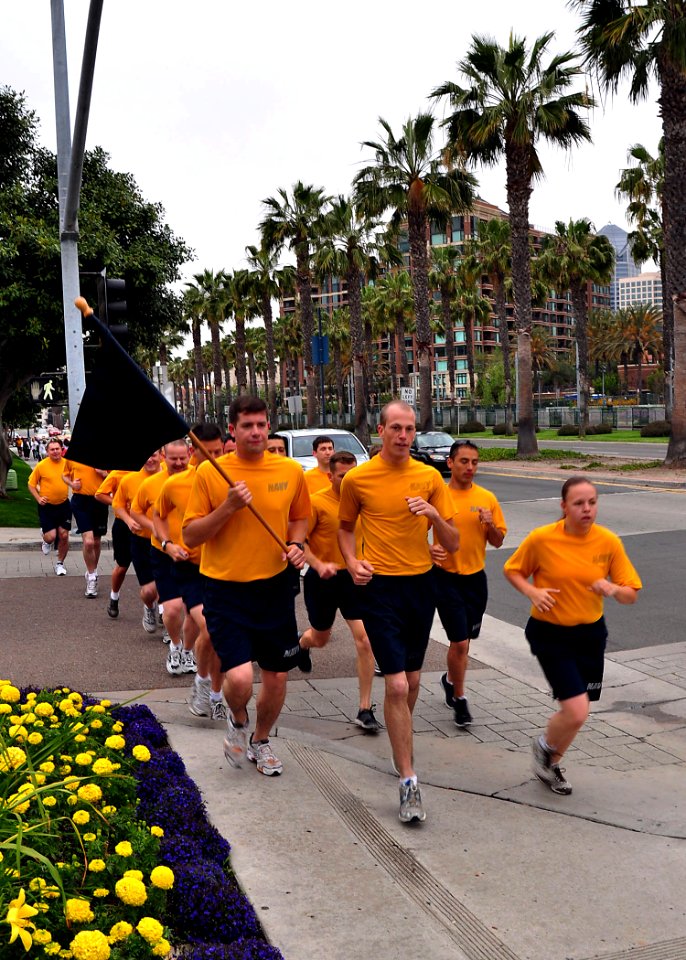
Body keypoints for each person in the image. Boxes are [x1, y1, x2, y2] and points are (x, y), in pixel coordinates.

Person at [338, 400, 458, 824]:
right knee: (396, 687)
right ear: (381, 431)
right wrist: (352, 563)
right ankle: (409, 779)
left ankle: (399, 744)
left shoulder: (429, 477)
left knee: (410, 680)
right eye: (396, 428)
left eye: (410, 428)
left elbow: (454, 540)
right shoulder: (358, 478)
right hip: (380, 589)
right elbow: (345, 528)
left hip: (421, 586)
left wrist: (432, 517)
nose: (404, 436)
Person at [183, 395, 310, 777]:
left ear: (268, 426)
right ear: (233, 430)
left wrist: (297, 545)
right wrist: (228, 507)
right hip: (225, 589)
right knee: (239, 677)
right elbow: (190, 536)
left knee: (277, 676)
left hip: (274, 589)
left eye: (261, 424)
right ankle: (237, 719)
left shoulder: (289, 470)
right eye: (247, 426)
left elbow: (301, 518)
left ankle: (261, 739)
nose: (255, 431)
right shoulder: (211, 474)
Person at [503, 476, 642, 796]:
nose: (587, 509)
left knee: (578, 713)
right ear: (564, 506)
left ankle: (549, 764)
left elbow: (631, 593)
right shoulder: (542, 539)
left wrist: (612, 588)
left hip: (591, 634)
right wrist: (532, 592)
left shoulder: (607, 542)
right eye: (578, 503)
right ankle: (543, 748)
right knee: (576, 708)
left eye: (592, 502)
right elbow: (513, 569)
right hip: (550, 633)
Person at [300, 450, 381, 732]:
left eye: (353, 475)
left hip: (354, 579)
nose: (349, 481)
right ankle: (303, 645)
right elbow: (300, 543)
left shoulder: (364, 501)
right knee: (320, 637)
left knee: (365, 640)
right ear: (330, 475)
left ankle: (364, 708)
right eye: (343, 476)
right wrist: (318, 564)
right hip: (322, 578)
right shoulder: (316, 502)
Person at [431, 441, 507, 728]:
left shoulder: (487, 498)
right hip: (445, 578)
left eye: (474, 462)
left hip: (476, 580)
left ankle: (450, 680)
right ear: (450, 463)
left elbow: (498, 541)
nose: (470, 467)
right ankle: (460, 700)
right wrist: (429, 551)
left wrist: (490, 525)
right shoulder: (439, 497)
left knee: (464, 643)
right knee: (460, 642)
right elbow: (414, 533)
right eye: (464, 461)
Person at [154, 423, 227, 716]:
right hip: (192, 568)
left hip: (226, 569)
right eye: (206, 453)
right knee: (212, 629)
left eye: (218, 452)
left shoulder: (235, 480)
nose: (213, 459)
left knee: (218, 635)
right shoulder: (175, 484)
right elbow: (159, 516)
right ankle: (203, 682)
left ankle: (215, 693)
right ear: (193, 452)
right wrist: (167, 544)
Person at [131, 439, 197, 676]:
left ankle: (188, 652)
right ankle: (175, 646)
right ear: (163, 457)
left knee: (194, 610)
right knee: (172, 609)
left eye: (183, 458)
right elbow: (135, 511)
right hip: (162, 552)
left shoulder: (199, 479)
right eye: (173, 459)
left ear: (190, 454)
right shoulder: (151, 484)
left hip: (195, 553)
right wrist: (156, 529)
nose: (179, 463)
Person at [112, 451, 162, 632]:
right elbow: (117, 504)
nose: (150, 459)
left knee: (165, 586)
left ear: (161, 455)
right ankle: (149, 607)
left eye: (154, 454)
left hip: (166, 542)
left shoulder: (171, 478)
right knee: (149, 591)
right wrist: (128, 520)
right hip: (141, 540)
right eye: (146, 455)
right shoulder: (129, 479)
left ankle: (168, 623)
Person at [62, 459, 109, 598]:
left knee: (96, 541)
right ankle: (92, 577)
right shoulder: (74, 456)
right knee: (88, 542)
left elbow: (117, 477)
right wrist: (71, 483)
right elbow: (64, 474)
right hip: (80, 501)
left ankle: (91, 572)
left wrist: (104, 473)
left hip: (100, 500)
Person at [28, 439, 71, 576]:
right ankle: (45, 539)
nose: (55, 452)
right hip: (47, 506)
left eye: (57, 448)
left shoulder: (67, 464)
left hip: (64, 504)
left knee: (64, 535)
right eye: (52, 449)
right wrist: (38, 498)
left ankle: (60, 564)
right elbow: (31, 484)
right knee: (51, 537)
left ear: (61, 449)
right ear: (47, 452)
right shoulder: (41, 466)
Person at [95, 469, 131, 618]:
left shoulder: (155, 472)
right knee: (122, 567)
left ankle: (160, 609)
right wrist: (117, 503)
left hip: (147, 526)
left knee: (154, 569)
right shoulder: (117, 474)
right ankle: (114, 597)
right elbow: (100, 494)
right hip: (123, 525)